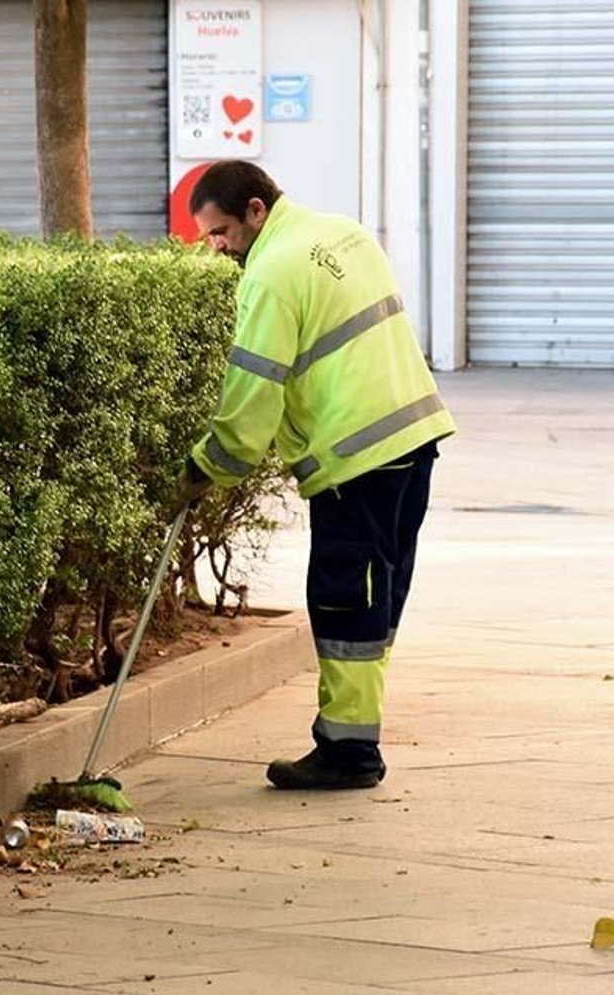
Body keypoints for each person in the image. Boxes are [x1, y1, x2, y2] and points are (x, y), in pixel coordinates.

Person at [174, 160, 455, 790]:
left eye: (221, 233)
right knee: (377, 595)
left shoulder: (271, 275)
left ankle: (349, 752)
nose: (217, 250)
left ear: (255, 210)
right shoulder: (343, 233)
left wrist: (209, 465)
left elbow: (253, 390)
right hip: (413, 439)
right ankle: (353, 730)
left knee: (344, 600)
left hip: (356, 456)